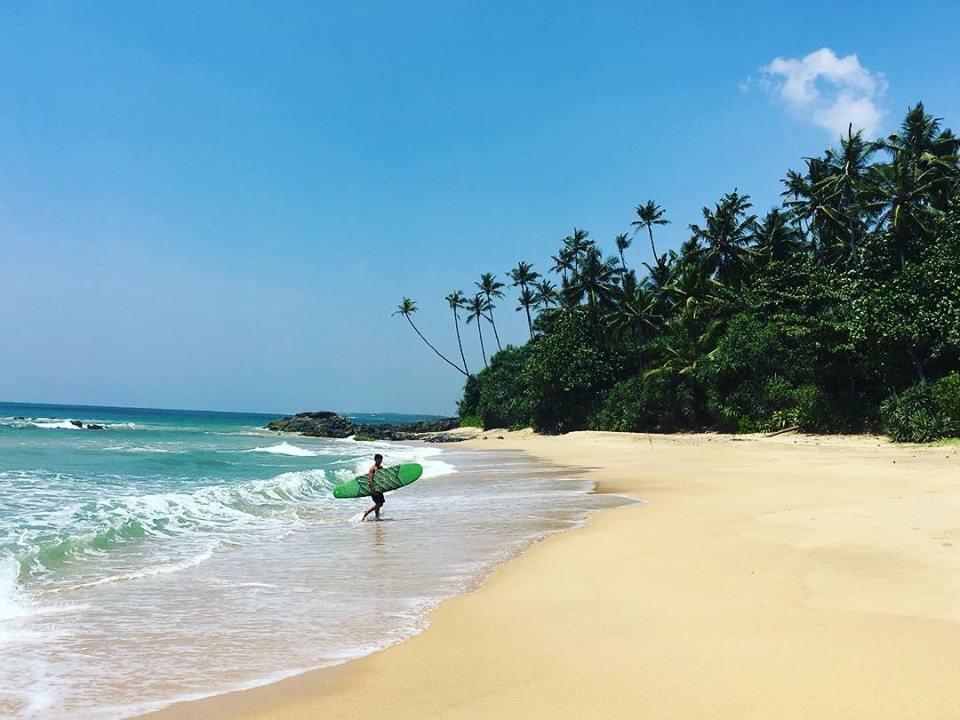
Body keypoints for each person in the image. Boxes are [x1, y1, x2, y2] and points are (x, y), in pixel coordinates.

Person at [362, 453, 386, 521]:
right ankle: (367, 512)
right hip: (374, 489)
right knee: (379, 504)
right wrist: (373, 489)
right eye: (379, 459)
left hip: (379, 488)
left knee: (379, 503)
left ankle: (377, 517)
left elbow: (382, 478)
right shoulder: (372, 468)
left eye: (381, 459)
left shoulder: (381, 467)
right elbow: (370, 479)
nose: (380, 461)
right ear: (375, 460)